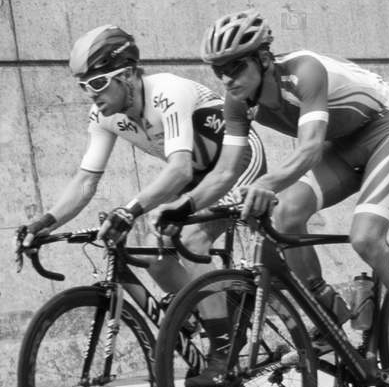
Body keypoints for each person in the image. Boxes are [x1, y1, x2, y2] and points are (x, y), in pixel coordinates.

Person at [168, 11, 389, 387]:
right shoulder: (236, 101)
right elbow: (223, 173)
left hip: (386, 130)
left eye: (235, 66)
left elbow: (307, 148)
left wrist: (267, 183)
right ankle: (329, 312)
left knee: (366, 238)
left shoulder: (304, 71)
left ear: (263, 59)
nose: (227, 78)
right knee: (286, 215)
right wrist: (184, 209)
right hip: (343, 146)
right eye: (219, 70)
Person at [19, 25, 267, 296]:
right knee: (154, 256)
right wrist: (44, 223)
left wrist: (129, 210)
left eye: (98, 82)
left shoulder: (167, 92)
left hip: (238, 163)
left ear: (126, 75)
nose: (91, 93)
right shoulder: (103, 116)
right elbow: (86, 180)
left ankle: (222, 338)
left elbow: (180, 170)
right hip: (198, 174)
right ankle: (189, 321)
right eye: (84, 85)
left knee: (192, 240)